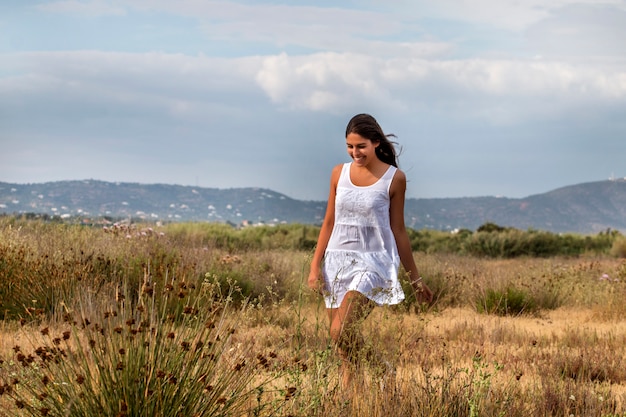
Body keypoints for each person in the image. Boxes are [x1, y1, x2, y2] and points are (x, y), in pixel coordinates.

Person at [308, 113, 433, 389]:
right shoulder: (338, 174)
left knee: (340, 330)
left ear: (376, 142)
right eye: (350, 147)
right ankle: (352, 397)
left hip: (374, 262)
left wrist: (415, 278)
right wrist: (314, 267)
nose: (355, 152)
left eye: (361, 146)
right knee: (342, 344)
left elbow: (398, 230)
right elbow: (328, 222)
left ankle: (382, 369)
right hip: (337, 261)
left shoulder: (394, 178)